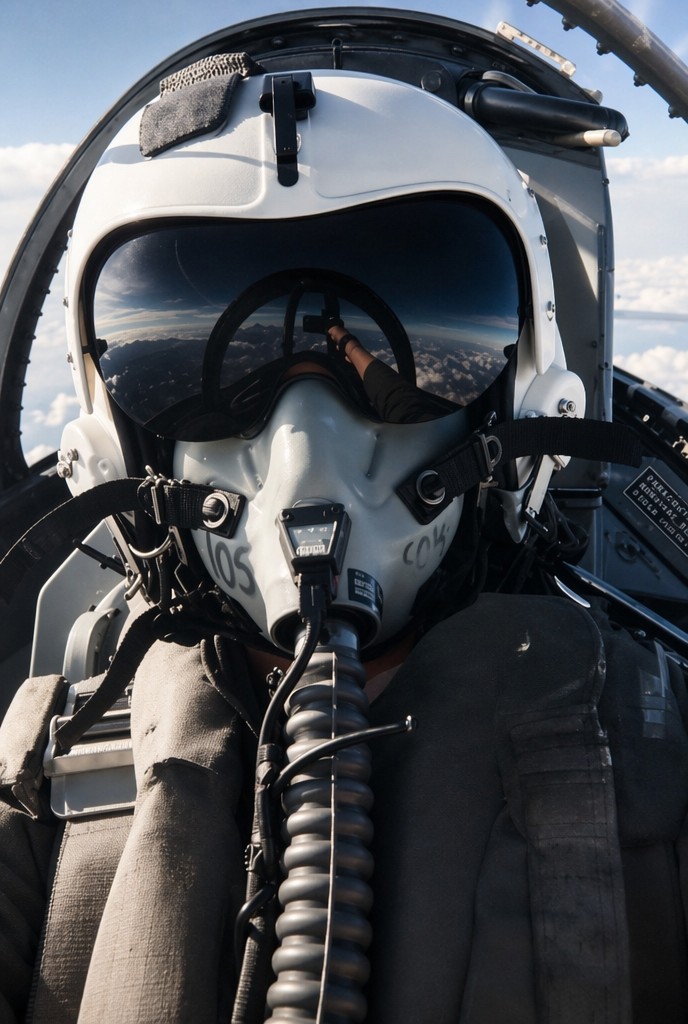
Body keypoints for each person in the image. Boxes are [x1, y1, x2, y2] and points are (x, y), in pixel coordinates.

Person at [1, 46, 687, 1024]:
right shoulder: (38, 781)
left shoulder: (661, 756)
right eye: (201, 373)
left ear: (522, 414)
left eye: (426, 359)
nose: (302, 444)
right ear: (120, 448)